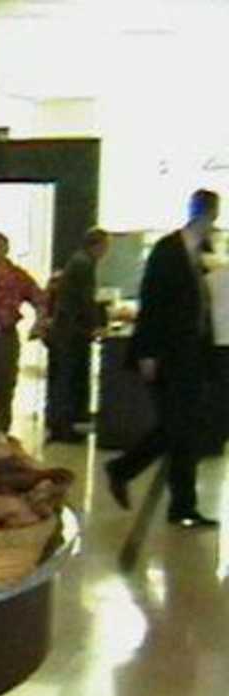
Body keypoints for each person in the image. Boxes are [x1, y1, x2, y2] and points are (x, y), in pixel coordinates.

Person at [105, 190, 222, 528]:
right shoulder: (168, 251)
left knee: (184, 430)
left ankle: (182, 505)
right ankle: (124, 469)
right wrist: (147, 352)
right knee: (176, 427)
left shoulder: (199, 255)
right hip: (169, 355)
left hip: (191, 355)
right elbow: (153, 302)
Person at [44, 228, 108, 443]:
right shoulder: (84, 264)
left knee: (63, 378)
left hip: (65, 329)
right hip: (71, 332)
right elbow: (85, 299)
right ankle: (63, 426)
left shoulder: (77, 261)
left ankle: (61, 423)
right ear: (98, 245)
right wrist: (95, 325)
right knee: (68, 380)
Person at [0, 233, 47, 432]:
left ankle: (3, 431)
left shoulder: (17, 276)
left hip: (7, 335)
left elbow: (40, 299)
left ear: (5, 250)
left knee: (6, 384)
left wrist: (39, 323)